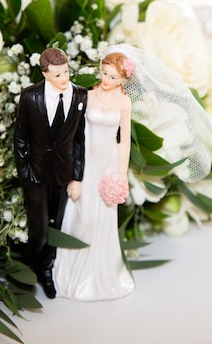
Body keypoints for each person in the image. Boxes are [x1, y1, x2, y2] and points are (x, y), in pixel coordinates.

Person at [53, 49, 135, 301]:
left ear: (122, 80)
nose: (107, 80)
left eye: (113, 77)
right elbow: (75, 137)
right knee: (83, 216)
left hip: (108, 165)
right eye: (105, 74)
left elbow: (124, 142)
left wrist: (120, 175)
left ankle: (101, 275)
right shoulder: (87, 96)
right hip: (86, 163)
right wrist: (74, 176)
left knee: (104, 219)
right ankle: (72, 274)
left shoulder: (124, 102)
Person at [14, 47, 88, 299]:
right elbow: (21, 138)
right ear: (45, 74)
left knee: (57, 225)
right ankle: (24, 270)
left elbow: (79, 140)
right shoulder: (29, 97)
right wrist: (25, 173)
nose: (64, 78)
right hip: (36, 174)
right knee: (40, 230)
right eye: (57, 75)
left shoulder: (79, 95)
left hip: (63, 174)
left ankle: (46, 270)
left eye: (66, 71)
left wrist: (77, 176)